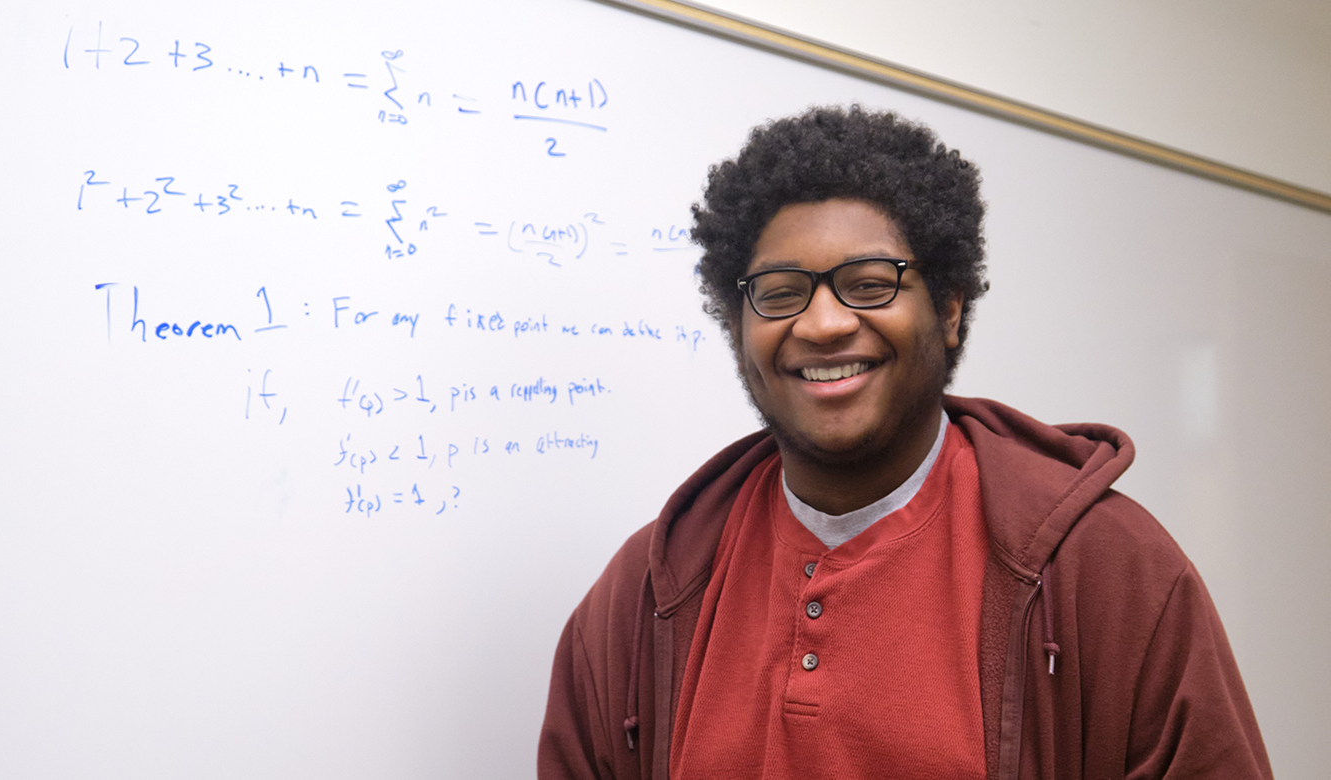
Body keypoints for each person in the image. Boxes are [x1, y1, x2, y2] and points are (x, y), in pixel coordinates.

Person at [537, 106, 1270, 780]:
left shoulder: (1108, 574)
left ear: (949, 309)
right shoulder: (645, 595)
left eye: (868, 284)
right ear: (738, 325)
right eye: (782, 292)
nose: (822, 324)